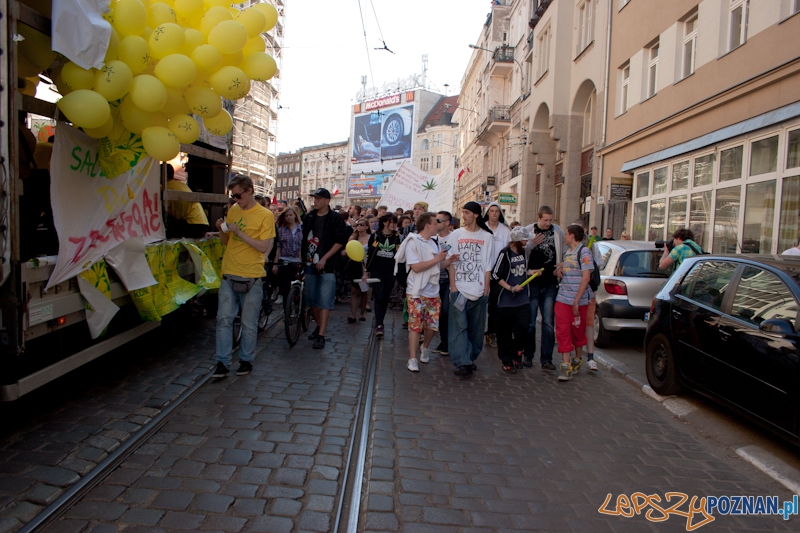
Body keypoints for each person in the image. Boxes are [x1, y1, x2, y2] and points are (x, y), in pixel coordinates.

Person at [212, 175, 275, 378]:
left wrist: (240, 233)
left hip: (252, 275)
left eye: (238, 195)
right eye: (233, 196)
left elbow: (263, 246)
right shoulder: (233, 210)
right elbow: (225, 241)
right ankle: (222, 362)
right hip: (230, 271)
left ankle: (246, 360)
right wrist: (221, 229)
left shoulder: (265, 215)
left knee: (248, 323)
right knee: (223, 320)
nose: (236, 199)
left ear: (249, 191)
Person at [395, 212, 449, 372]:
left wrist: (448, 261)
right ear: (427, 225)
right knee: (415, 325)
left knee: (432, 325)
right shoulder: (413, 242)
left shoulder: (434, 242)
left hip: (433, 290)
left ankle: (425, 347)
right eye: (435, 222)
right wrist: (437, 259)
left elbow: (436, 266)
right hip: (416, 290)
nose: (437, 225)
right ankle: (412, 358)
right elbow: (416, 267)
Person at [447, 202, 494, 379]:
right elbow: (452, 262)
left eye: (467, 213)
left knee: (476, 328)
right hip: (459, 288)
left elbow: (488, 265)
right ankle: (462, 361)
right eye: (463, 212)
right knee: (459, 326)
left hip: (479, 289)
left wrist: (486, 289)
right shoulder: (456, 235)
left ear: (476, 215)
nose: (464, 216)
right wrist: (453, 287)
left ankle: (470, 356)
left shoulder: (487, 237)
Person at [302, 188, 349, 349]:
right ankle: (319, 325)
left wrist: (324, 258)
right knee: (311, 300)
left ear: (327, 201)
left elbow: (340, 241)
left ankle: (321, 334)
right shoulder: (309, 217)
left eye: (319, 199)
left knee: (325, 300)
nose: (315, 201)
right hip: (310, 264)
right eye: (314, 198)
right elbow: (303, 238)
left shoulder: (335, 218)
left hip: (328, 266)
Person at [523, 206, 565, 370]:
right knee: (531, 322)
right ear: (538, 218)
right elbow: (521, 251)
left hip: (550, 283)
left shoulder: (558, 232)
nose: (548, 223)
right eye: (545, 220)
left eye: (550, 220)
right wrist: (531, 245)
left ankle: (546, 359)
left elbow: (566, 251)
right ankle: (528, 355)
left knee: (548, 323)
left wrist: (562, 264)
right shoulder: (529, 231)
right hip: (532, 283)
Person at [554, 224, 594, 382]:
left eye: (567, 234)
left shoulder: (584, 252)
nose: (564, 237)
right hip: (563, 298)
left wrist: (577, 300)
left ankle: (577, 358)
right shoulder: (567, 253)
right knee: (563, 331)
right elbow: (568, 272)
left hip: (579, 301)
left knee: (577, 332)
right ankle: (565, 365)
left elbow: (586, 278)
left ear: (572, 236)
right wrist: (560, 271)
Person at [491, 226, 531, 374]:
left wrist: (531, 272)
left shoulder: (525, 253)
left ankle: (517, 351)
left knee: (523, 327)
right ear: (517, 240)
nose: (526, 241)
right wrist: (510, 288)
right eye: (524, 239)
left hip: (522, 299)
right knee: (504, 332)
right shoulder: (505, 253)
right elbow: (496, 275)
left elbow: (523, 271)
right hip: (506, 300)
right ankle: (506, 359)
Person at [573, 219, 605, 372]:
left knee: (589, 324)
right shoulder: (569, 248)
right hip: (572, 293)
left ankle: (590, 358)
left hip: (588, 292)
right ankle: (576, 356)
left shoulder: (591, 247)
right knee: (574, 326)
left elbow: (599, 265)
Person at [365, 213, 402, 336]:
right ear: (385, 222)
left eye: (395, 223)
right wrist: (366, 271)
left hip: (390, 272)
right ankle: (379, 324)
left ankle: (380, 320)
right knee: (379, 296)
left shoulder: (398, 238)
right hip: (377, 271)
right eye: (391, 222)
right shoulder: (376, 236)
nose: (394, 225)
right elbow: (370, 255)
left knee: (385, 298)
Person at [483, 202, 511, 348]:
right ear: (487, 213)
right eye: (491, 211)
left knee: (495, 304)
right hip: (482, 272)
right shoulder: (482, 228)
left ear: (500, 214)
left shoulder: (505, 231)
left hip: (498, 274)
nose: (494, 213)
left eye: (496, 211)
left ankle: (492, 332)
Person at [432, 211, 458, 355]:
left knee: (448, 311)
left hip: (449, 280)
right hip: (435, 280)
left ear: (448, 223)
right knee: (439, 312)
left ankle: (450, 342)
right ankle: (444, 342)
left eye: (439, 221)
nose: (436, 223)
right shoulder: (432, 238)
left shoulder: (455, 237)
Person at [165, 164, 209, 238]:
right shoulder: (181, 184)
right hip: (202, 224)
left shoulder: (166, 187)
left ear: (164, 175)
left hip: (192, 225)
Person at [272, 206, 303, 304]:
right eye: (286, 216)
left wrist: (300, 258)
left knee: (298, 285)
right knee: (285, 286)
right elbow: (279, 246)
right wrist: (275, 263)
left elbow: (302, 245)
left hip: (297, 259)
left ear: (295, 215)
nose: (289, 217)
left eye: (290, 215)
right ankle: (286, 309)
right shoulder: (282, 229)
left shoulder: (301, 228)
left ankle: (298, 306)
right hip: (284, 258)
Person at [343, 217, 371, 323]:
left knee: (364, 291)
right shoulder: (353, 238)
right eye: (358, 224)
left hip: (366, 266)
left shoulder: (371, 238)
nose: (359, 226)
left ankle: (362, 313)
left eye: (362, 224)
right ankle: (353, 314)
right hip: (354, 265)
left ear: (367, 227)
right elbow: (349, 250)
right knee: (354, 291)